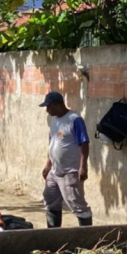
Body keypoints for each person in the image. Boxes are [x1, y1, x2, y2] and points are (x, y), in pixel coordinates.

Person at [40, 91, 93, 227]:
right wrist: (48, 165)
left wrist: (83, 166)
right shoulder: (53, 121)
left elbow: (84, 143)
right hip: (54, 171)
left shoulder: (74, 119)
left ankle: (87, 236)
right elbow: (52, 143)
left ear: (57, 104)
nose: (47, 110)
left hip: (70, 171)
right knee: (50, 200)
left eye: (49, 106)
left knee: (76, 203)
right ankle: (54, 235)